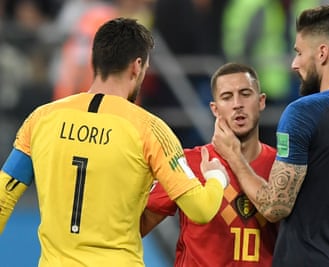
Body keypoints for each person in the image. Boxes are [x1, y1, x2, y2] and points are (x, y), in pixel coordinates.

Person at [0, 18, 229, 267]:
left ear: (95, 61)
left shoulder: (41, 119)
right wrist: (217, 178)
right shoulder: (150, 129)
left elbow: (3, 199)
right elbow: (201, 209)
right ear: (137, 66)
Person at [212, 5, 329, 267]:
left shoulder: (304, 112)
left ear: (322, 53)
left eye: (299, 53)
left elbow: (274, 207)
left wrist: (233, 155)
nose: (294, 64)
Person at [140, 62, 279, 266]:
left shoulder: (282, 168)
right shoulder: (188, 163)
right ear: (215, 109)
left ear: (261, 101)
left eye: (245, 94)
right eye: (227, 97)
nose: (237, 104)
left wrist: (233, 158)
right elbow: (137, 227)